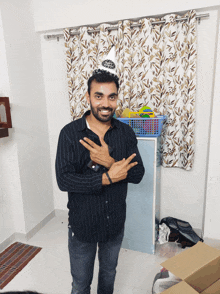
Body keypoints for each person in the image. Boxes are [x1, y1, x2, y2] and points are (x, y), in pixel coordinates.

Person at [55, 46, 145, 294]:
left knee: (108, 275)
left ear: (117, 97)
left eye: (112, 97)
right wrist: (106, 178)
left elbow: (138, 174)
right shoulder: (70, 133)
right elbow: (64, 180)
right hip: (82, 225)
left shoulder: (125, 133)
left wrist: (109, 160)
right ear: (87, 97)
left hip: (114, 224)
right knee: (81, 283)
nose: (106, 104)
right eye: (99, 96)